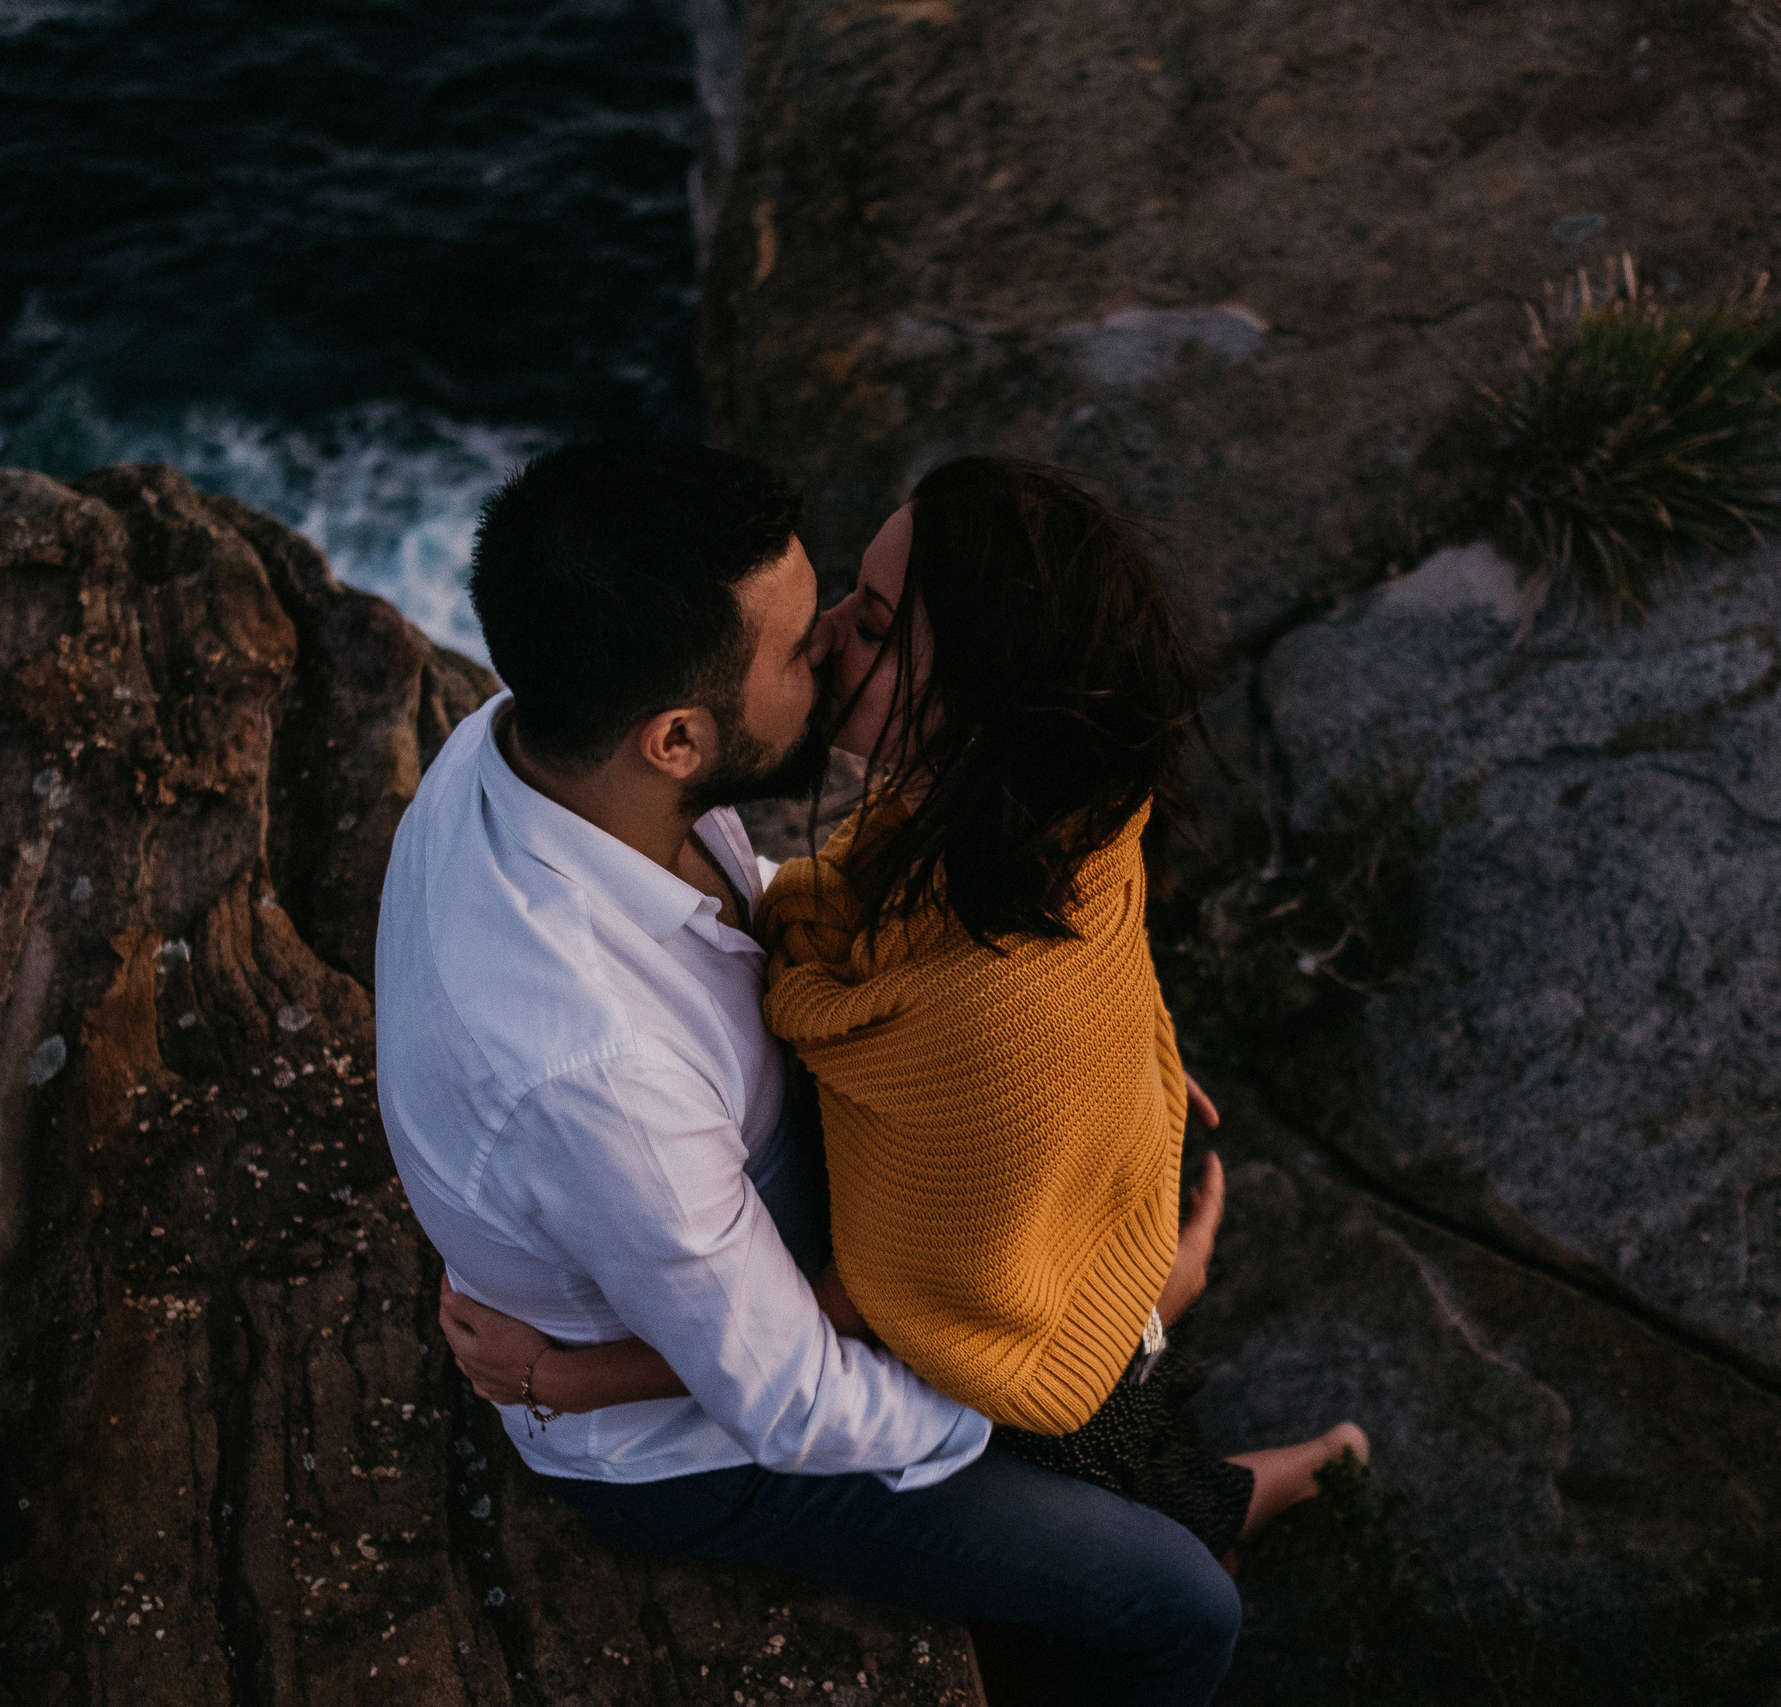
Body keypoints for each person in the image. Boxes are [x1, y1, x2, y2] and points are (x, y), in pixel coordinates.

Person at [375, 442, 1241, 1706]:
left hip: (746, 1214)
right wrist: (1076, 1378)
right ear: (675, 738)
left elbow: (782, 921)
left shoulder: (537, 752)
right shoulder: (589, 1067)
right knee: (1178, 1606)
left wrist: (1090, 1072)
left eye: (845, 613)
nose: (834, 645)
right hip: (701, 1450)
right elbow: (787, 1400)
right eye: (802, 648)